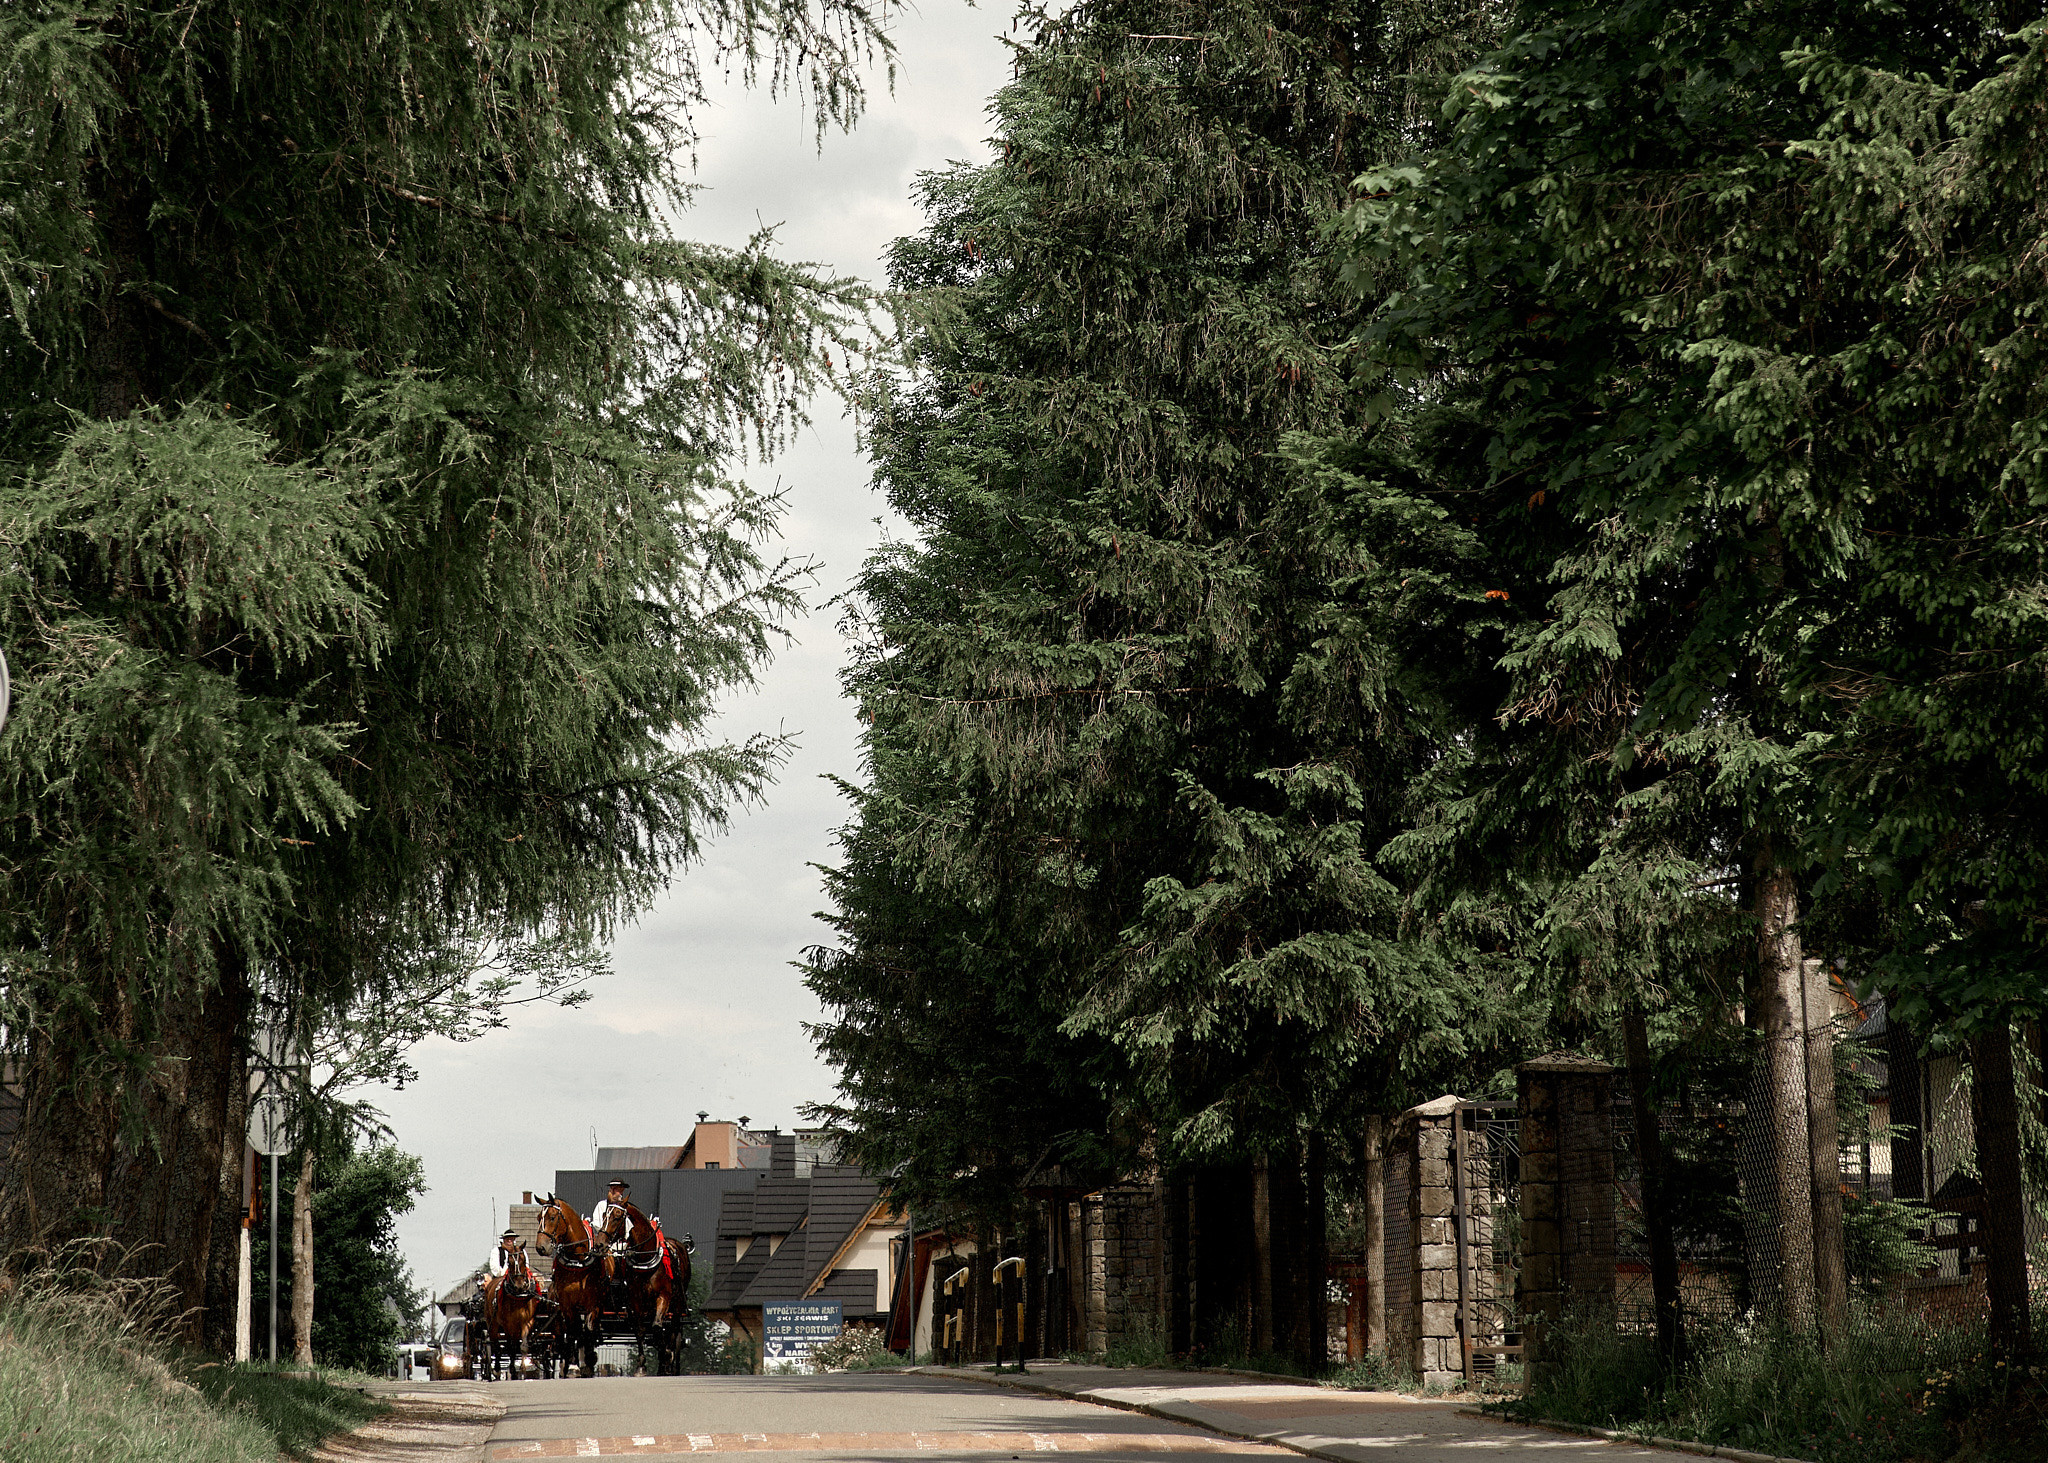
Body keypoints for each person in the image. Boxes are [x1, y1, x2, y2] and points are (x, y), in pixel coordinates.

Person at [589, 1178, 632, 1244]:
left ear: (622, 1190)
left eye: (615, 1189)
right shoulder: (602, 1205)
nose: (611, 1191)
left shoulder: (626, 1208)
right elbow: (596, 1224)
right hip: (604, 1242)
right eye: (611, 1188)